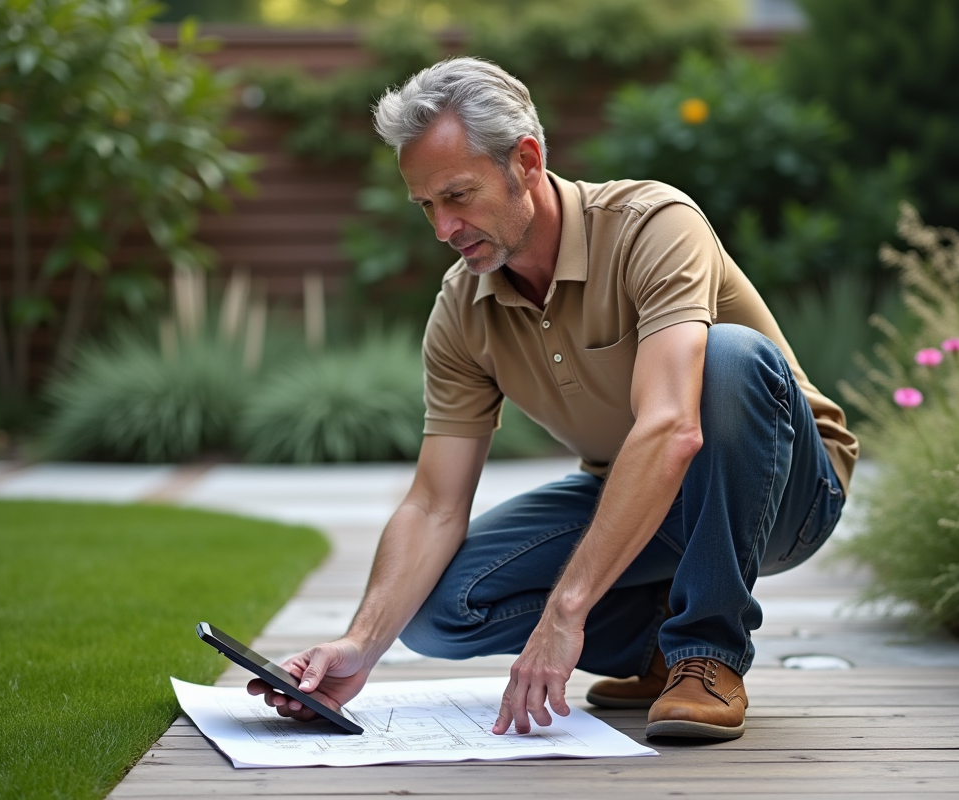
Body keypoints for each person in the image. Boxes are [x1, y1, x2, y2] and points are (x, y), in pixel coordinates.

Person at [247, 56, 858, 741]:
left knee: (728, 355)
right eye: (426, 205)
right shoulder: (462, 308)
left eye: (458, 196)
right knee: (442, 611)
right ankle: (658, 645)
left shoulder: (652, 224)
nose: (443, 228)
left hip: (786, 491)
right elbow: (432, 503)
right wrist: (359, 644)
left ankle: (708, 656)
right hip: (642, 499)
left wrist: (566, 613)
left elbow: (672, 427)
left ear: (527, 161)